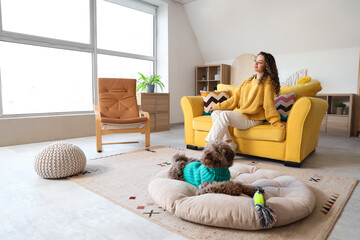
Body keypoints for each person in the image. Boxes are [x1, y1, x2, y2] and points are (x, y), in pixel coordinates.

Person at [205, 51, 285, 152]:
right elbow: (235, 99)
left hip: (254, 118)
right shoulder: (249, 80)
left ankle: (209, 149)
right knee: (216, 113)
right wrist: (217, 106)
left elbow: (268, 104)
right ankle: (230, 144)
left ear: (266, 66)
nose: (255, 63)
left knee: (224, 115)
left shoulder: (267, 82)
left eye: (260, 62)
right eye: (255, 61)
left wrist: (275, 121)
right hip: (242, 114)